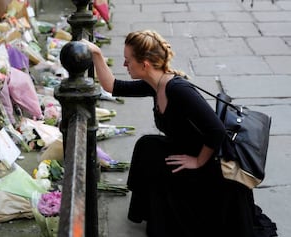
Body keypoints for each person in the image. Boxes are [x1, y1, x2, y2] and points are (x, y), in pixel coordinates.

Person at [83, 30, 256, 237]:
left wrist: (198, 161)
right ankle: (156, 211)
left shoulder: (178, 90)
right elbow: (112, 85)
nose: (124, 65)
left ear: (145, 64)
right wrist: (97, 55)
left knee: (151, 149)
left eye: (128, 61)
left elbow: (216, 130)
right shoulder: (154, 85)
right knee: (147, 146)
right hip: (186, 147)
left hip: (212, 164)